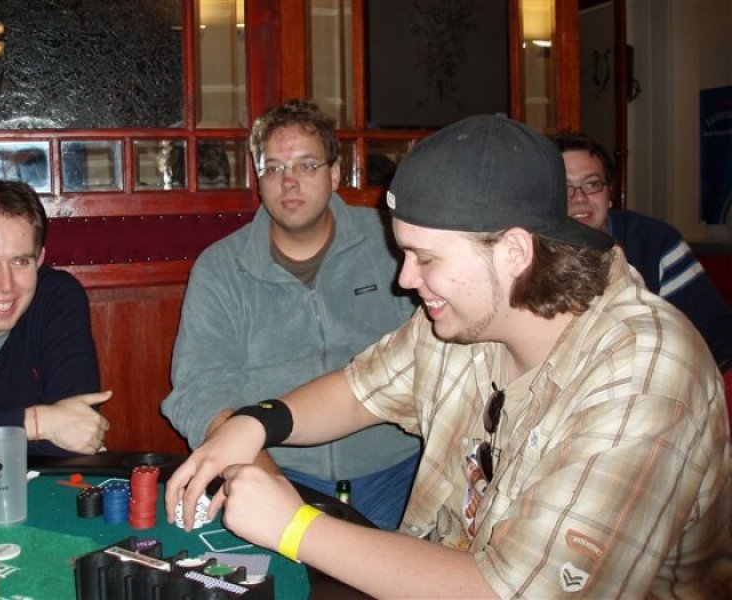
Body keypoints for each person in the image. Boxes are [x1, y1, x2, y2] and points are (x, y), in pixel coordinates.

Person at [165, 115, 732, 598]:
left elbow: (514, 592)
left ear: (514, 251)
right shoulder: (469, 316)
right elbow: (358, 390)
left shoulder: (644, 374)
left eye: (425, 258)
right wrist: (253, 423)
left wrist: (295, 528)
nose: (406, 279)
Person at [161, 99, 420, 529]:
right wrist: (270, 480)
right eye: (274, 168)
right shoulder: (221, 267)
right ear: (258, 179)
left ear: (334, 174)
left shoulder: (391, 245)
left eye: (306, 165)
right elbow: (199, 390)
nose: (289, 182)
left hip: (399, 469)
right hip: (281, 469)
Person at [0, 178, 111, 469]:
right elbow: (59, 429)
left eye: (20, 262)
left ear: (39, 259)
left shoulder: (58, 298)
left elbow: (76, 432)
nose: (5, 286)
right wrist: (38, 422)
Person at [550, 131, 732, 378]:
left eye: (592, 184)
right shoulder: (525, 255)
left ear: (610, 195)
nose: (579, 197)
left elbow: (715, 333)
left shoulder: (654, 243)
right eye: (565, 187)